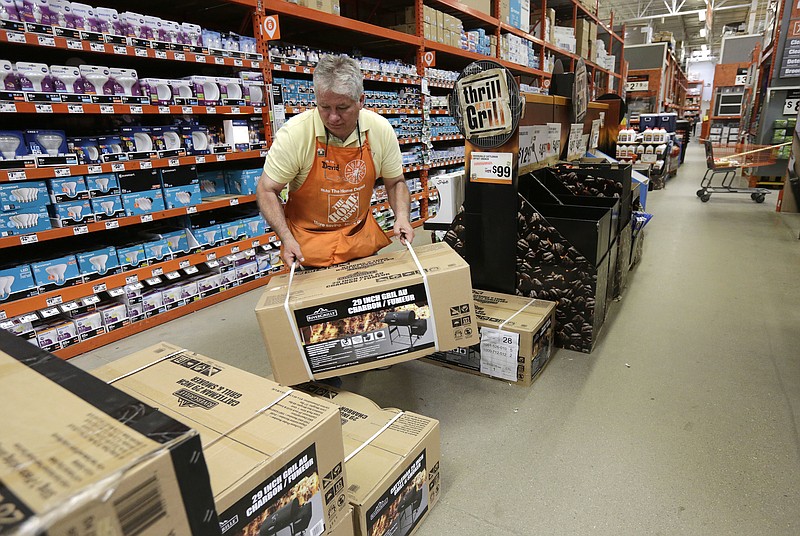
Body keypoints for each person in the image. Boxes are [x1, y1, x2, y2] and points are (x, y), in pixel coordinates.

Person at [256, 54, 415, 268]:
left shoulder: (380, 129)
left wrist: (402, 217)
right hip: (306, 250)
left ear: (361, 101)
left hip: (360, 243)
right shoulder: (295, 134)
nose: (332, 117)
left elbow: (395, 182)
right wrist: (286, 237)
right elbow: (266, 190)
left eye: (342, 108)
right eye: (324, 107)